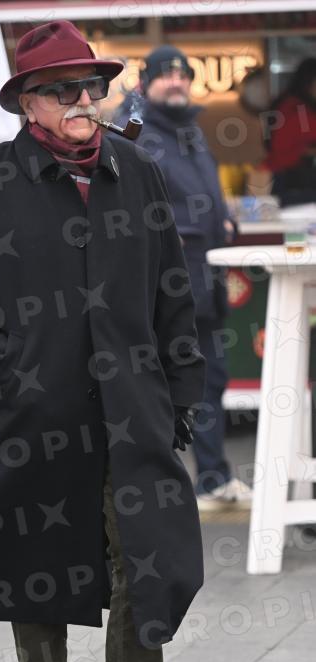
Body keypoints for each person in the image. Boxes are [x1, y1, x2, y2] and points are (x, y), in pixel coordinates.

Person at [0, 21, 205, 662]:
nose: (85, 100)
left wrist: (181, 390)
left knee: (148, 557)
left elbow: (171, 288)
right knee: (35, 564)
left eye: (94, 86)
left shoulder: (137, 172)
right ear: (27, 103)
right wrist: (2, 366)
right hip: (34, 412)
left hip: (133, 407)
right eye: (64, 89)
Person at [114, 45, 253, 510]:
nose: (176, 82)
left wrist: (223, 221)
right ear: (146, 82)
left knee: (210, 379)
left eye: (183, 75)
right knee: (158, 387)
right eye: (165, 75)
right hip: (162, 284)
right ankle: (151, 492)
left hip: (205, 280)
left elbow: (201, 194)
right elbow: (126, 207)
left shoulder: (190, 129)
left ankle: (212, 478)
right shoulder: (135, 131)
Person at [261, 57, 316, 206]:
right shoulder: (297, 109)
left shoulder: (287, 103)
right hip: (291, 180)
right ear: (309, 81)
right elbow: (284, 147)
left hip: (281, 176)